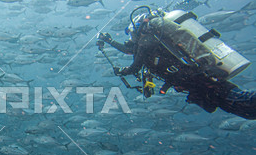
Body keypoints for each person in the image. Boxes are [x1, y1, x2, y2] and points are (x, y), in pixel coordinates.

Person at [97, 8, 256, 120]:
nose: (132, 39)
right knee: (242, 110)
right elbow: (129, 50)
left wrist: (124, 71)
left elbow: (136, 65)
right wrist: (109, 41)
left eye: (132, 35)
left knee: (241, 99)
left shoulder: (147, 41)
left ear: (137, 29)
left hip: (198, 79)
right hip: (194, 84)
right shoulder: (149, 42)